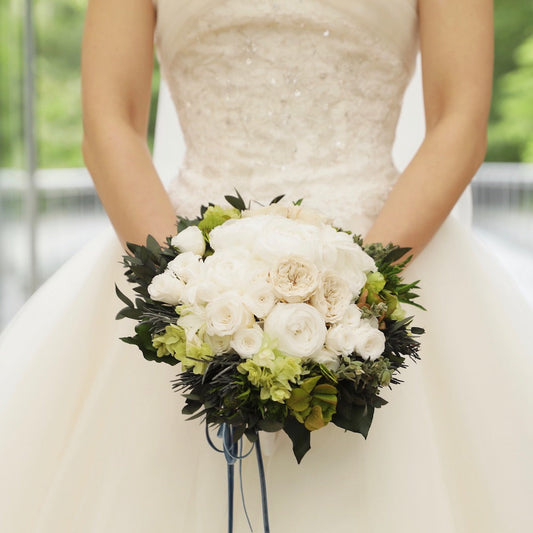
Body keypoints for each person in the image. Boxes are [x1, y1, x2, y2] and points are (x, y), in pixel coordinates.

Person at [0, 0, 532, 531]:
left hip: (387, 254)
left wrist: (353, 294)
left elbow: (460, 120)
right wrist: (185, 288)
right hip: (186, 257)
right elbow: (108, 120)